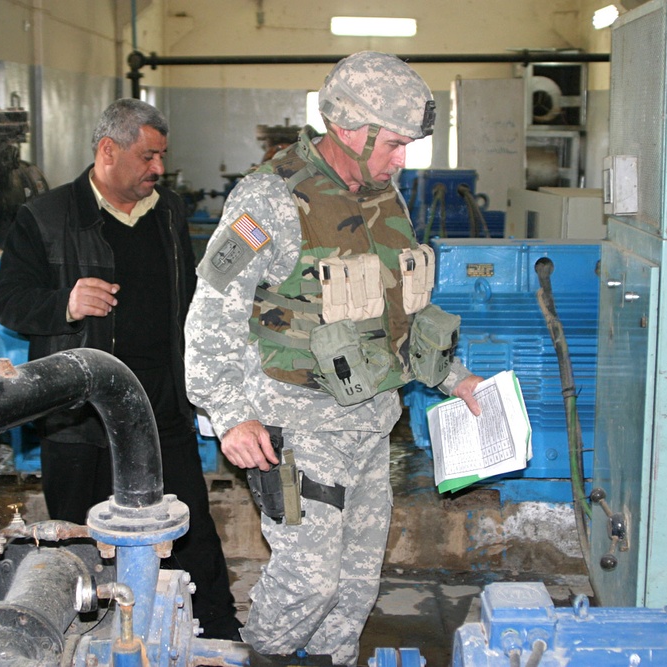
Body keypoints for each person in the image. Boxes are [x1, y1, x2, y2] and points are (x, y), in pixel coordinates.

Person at [184, 52, 484, 664]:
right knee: (309, 582)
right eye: (396, 143)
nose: (403, 159)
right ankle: (261, 657)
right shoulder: (267, 200)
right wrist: (227, 412)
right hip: (296, 427)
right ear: (350, 128)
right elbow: (211, 309)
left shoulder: (385, 193)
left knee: (353, 588)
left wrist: (453, 377)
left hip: (372, 423)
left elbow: (396, 311)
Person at [0, 97, 242, 640]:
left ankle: (219, 633)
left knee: (189, 529)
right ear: (108, 151)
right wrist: (65, 301)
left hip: (161, 407)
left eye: (162, 157)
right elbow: (7, 300)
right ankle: (90, 639)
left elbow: (188, 296)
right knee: (83, 540)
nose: (158, 169)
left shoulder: (169, 211)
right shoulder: (46, 217)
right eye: (148, 156)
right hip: (78, 418)